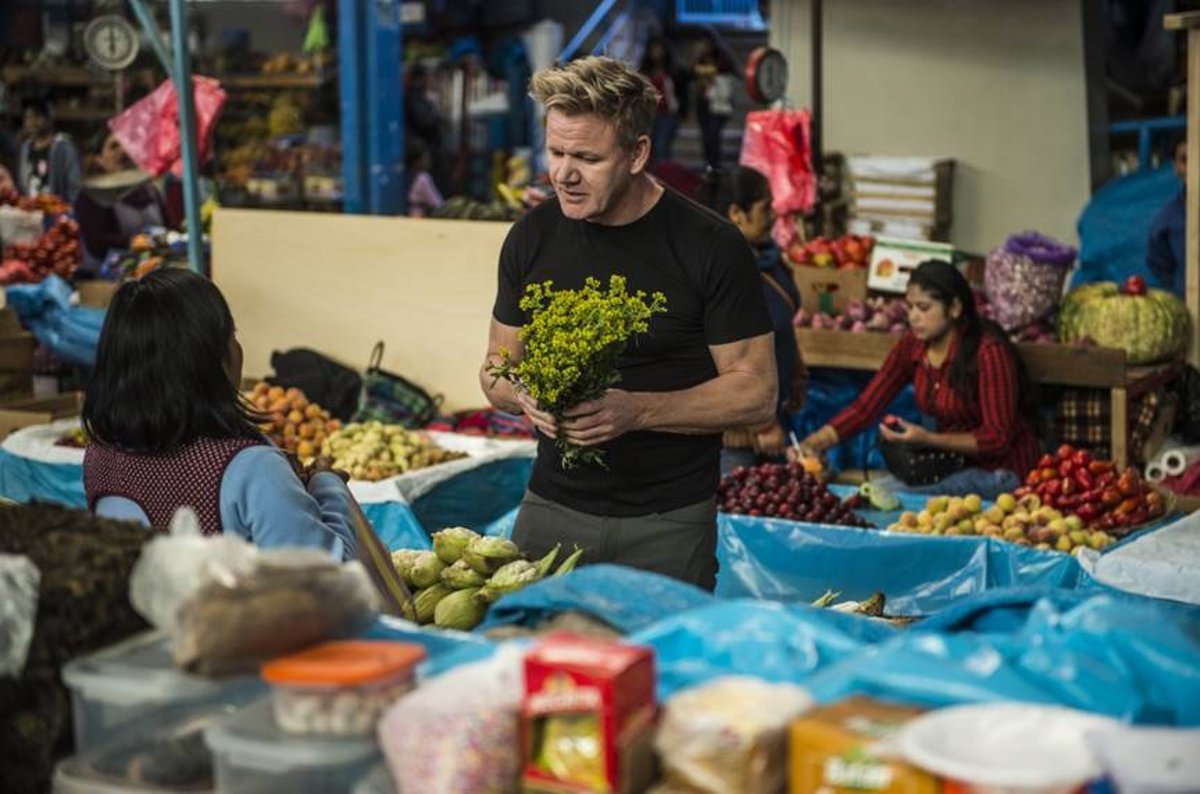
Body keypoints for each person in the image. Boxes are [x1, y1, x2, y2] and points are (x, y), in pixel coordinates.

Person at [479, 56, 776, 590]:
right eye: (555, 152)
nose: (564, 174)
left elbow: (757, 395)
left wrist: (637, 411)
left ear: (637, 153)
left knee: (661, 646)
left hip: (668, 521)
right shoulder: (531, 237)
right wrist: (524, 394)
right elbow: (495, 367)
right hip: (550, 506)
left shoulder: (710, 246)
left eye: (587, 158)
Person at [83, 269, 357, 559]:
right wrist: (327, 486)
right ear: (216, 359)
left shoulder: (99, 457)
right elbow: (324, 570)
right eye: (232, 334)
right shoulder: (253, 469)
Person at [795, 260, 1039, 499]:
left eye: (923, 308)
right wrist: (815, 442)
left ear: (954, 308)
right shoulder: (913, 346)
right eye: (910, 307)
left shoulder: (988, 352)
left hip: (1000, 473)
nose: (913, 317)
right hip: (951, 467)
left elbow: (996, 439)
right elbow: (866, 407)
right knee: (876, 493)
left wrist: (927, 439)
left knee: (886, 496)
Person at [697, 166, 808, 475]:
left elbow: (780, 328)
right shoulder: (722, 272)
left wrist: (797, 375)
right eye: (765, 208)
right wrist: (763, 424)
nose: (773, 215)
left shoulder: (769, 261)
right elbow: (728, 359)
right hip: (737, 438)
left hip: (773, 418)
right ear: (737, 213)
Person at [75, 133, 173, 274]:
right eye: (113, 146)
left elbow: (170, 227)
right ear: (99, 158)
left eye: (127, 145)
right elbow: (96, 242)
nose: (122, 151)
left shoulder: (151, 191)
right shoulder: (92, 195)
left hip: (157, 271)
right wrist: (132, 242)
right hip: (110, 277)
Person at [17, 97, 82, 202]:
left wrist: (69, 208)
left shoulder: (64, 147)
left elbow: (75, 184)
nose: (32, 122)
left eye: (37, 116)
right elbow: (23, 182)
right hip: (32, 207)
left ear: (49, 118)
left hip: (57, 208)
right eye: (28, 117)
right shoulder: (25, 147)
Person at [1147, 137, 1188, 298]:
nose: (1194, 166)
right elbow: (1160, 267)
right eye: (1185, 160)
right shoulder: (1165, 222)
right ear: (1175, 167)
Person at [691, 34, 735, 170]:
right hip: (703, 103)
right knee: (706, 136)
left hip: (718, 102)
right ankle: (709, 164)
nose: (703, 47)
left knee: (713, 134)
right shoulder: (698, 59)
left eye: (705, 44)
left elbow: (727, 71)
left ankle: (715, 165)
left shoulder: (721, 58)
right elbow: (691, 74)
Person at [640, 37, 683, 163]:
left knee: (662, 147)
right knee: (649, 148)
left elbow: (680, 92)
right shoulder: (644, 71)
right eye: (654, 49)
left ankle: (662, 173)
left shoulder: (673, 71)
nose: (657, 52)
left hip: (668, 113)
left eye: (659, 49)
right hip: (649, 114)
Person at [406, 144, 445, 218]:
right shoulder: (423, 178)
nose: (429, 160)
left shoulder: (410, 175)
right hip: (418, 216)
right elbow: (435, 202)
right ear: (418, 160)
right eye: (426, 158)